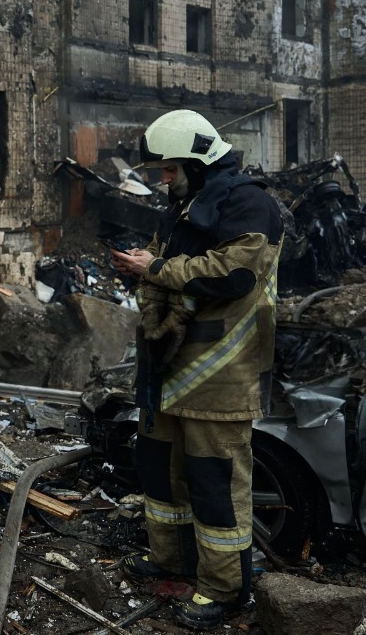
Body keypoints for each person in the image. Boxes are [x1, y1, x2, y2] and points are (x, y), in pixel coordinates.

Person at [109, 109, 283, 631]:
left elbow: (233, 275)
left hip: (221, 375)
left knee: (215, 485)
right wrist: (143, 266)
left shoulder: (250, 204)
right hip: (167, 370)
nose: (164, 179)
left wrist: (155, 268)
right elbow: (164, 265)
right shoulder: (186, 207)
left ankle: (224, 590)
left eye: (170, 169)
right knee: (161, 473)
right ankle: (171, 561)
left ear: (198, 163)